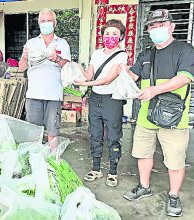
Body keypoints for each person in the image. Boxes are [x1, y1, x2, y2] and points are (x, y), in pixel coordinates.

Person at [121, 9, 194, 217]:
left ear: (171, 27)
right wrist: (119, 71)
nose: (157, 30)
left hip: (173, 117)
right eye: (153, 27)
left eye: (161, 26)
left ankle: (173, 195)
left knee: (174, 160)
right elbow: (131, 76)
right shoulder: (146, 54)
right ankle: (144, 187)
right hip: (146, 115)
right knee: (143, 154)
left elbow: (184, 78)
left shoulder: (185, 50)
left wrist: (154, 90)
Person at [74, 19, 128, 187]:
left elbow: (106, 80)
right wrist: (76, 69)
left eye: (114, 34)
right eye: (107, 33)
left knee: (113, 136)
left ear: (120, 37)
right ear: (102, 35)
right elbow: (90, 75)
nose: (110, 37)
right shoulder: (97, 53)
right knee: (95, 134)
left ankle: (113, 171)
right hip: (95, 99)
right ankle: (96, 168)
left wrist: (84, 84)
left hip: (112, 100)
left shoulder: (121, 55)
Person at [18, 8, 71, 148]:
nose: (46, 23)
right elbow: (21, 67)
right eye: (43, 21)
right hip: (34, 94)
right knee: (33, 131)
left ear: (55, 23)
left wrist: (57, 59)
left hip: (54, 95)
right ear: (39, 23)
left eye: (49, 20)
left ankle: (53, 163)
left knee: (52, 131)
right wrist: (24, 57)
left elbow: (67, 66)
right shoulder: (31, 43)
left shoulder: (62, 43)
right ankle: (33, 160)